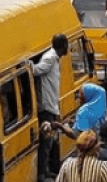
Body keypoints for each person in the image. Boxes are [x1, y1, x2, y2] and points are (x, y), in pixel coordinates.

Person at [34, 34, 69, 180]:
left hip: (52, 105)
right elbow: (36, 70)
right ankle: (42, 173)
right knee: (46, 142)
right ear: (62, 46)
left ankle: (47, 169)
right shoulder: (49, 58)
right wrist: (26, 64)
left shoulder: (54, 58)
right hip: (47, 106)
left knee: (51, 142)